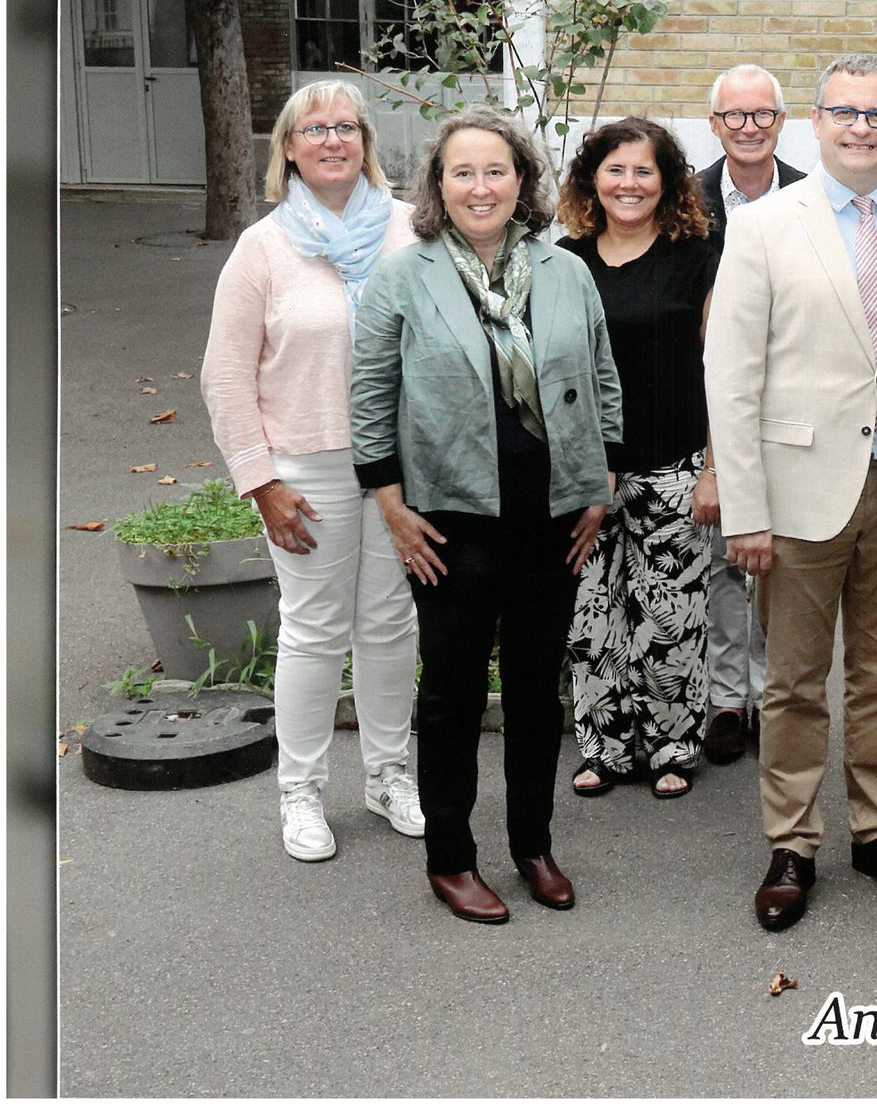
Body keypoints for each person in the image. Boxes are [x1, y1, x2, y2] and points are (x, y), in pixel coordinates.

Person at [706, 54, 877, 933]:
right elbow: (731, 378)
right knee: (792, 683)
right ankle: (792, 842)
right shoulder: (762, 227)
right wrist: (745, 509)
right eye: (846, 112)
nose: (862, 128)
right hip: (796, 497)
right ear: (816, 122)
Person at [350, 107, 622, 925]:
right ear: (437, 185)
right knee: (453, 694)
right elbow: (370, 396)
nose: (480, 187)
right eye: (462, 172)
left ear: (522, 181)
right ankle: (451, 858)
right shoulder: (404, 276)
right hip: (448, 519)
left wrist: (600, 482)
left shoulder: (566, 271)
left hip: (552, 513)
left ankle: (533, 846)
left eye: (496, 171)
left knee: (538, 692)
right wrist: (391, 505)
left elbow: (603, 378)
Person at [201, 80, 422, 863]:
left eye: (347, 127)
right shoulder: (263, 247)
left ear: (366, 144)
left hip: (402, 465)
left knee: (390, 624)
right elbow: (226, 377)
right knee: (315, 629)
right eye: (315, 129)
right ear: (289, 149)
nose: (333, 140)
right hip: (307, 466)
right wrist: (261, 482)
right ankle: (300, 792)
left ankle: (389, 775)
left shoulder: (410, 230)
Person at [557, 117, 719, 800]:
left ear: (667, 181)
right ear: (592, 179)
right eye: (615, 170)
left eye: (643, 171)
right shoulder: (564, 262)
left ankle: (673, 747)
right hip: (585, 473)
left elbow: (723, 370)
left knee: (670, 618)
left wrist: (714, 468)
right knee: (593, 617)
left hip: (673, 466)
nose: (629, 184)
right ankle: (604, 748)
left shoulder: (697, 257)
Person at [695, 65, 807, 766]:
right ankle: (726, 700)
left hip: (792, 404)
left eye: (762, 114)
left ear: (781, 122)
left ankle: (770, 694)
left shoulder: (810, 196)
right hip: (715, 397)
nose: (749, 127)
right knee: (721, 561)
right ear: (714, 125)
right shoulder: (686, 200)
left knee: (778, 561)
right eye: (734, 116)